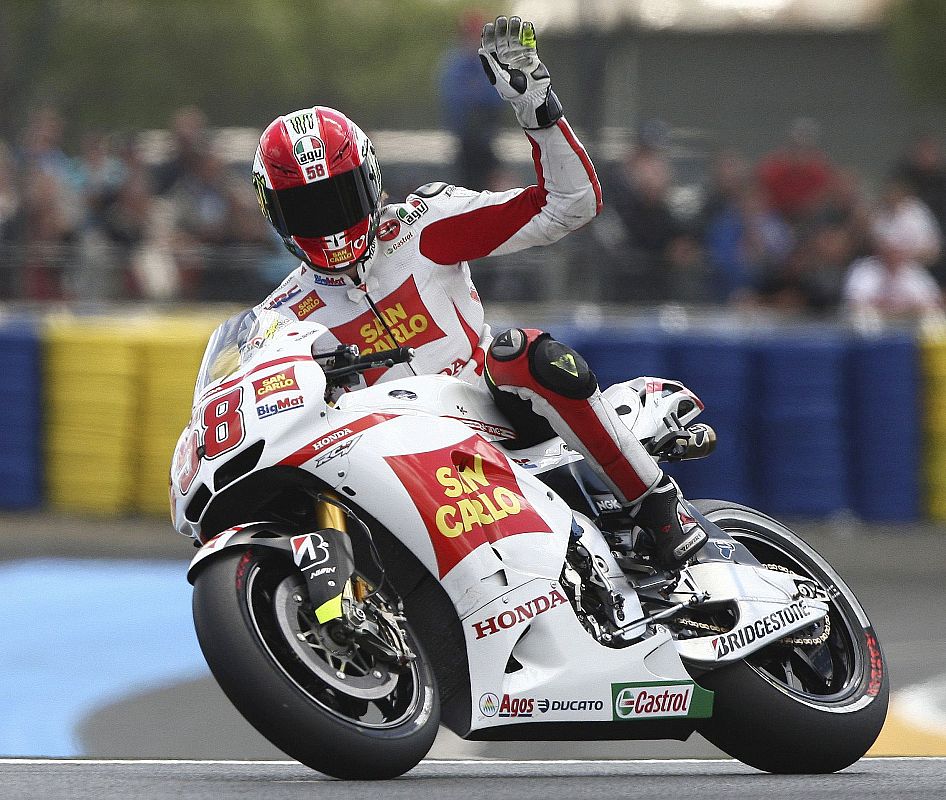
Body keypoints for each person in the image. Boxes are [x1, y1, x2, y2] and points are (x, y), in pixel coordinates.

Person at [249, 16, 706, 571]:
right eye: (307, 209)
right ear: (278, 216)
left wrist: (536, 109)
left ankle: (658, 507)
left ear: (369, 182)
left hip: (493, 421)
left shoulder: (423, 228)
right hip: (393, 467)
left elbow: (570, 205)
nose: (327, 223)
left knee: (520, 353)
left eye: (337, 199)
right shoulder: (280, 317)